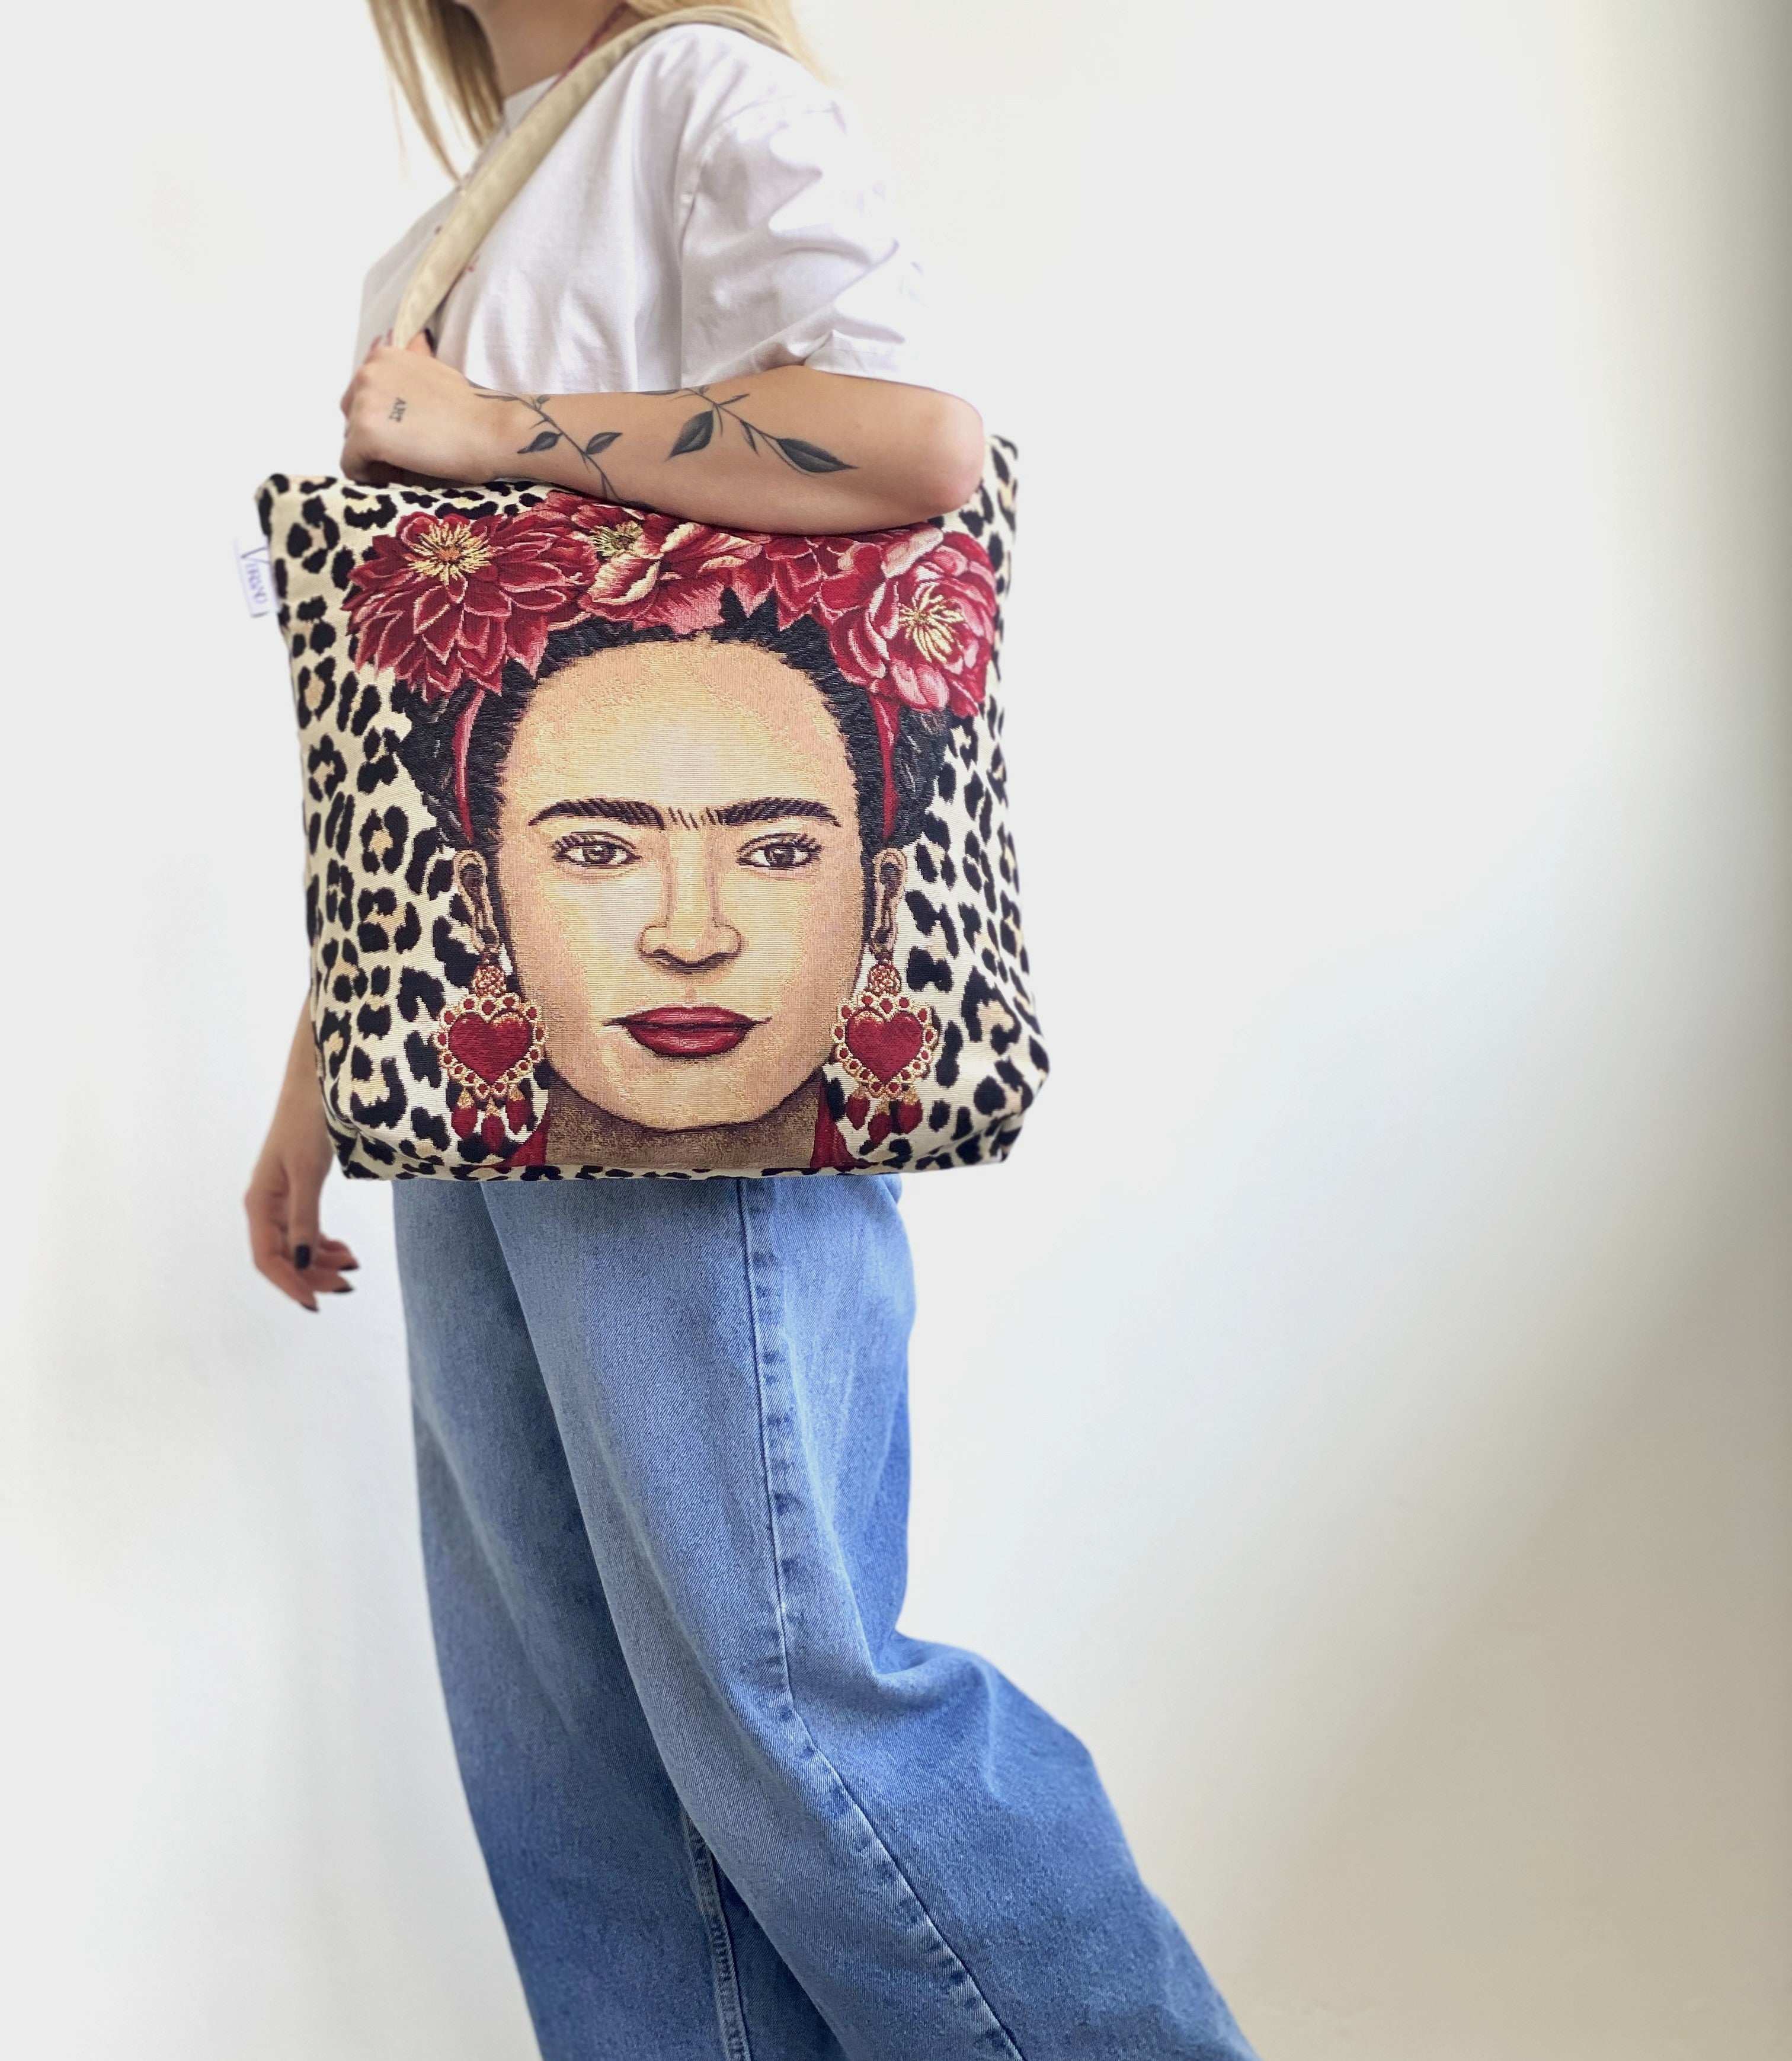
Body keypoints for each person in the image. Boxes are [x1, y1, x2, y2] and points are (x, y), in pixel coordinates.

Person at [245, 4, 1262, 2056]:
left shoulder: (702, 99)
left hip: (706, 1056)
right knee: (586, 1761)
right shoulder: (458, 223)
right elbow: (438, 757)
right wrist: (322, 1075)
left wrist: (506, 433)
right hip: (475, 1070)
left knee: (790, 1702)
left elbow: (910, 439)